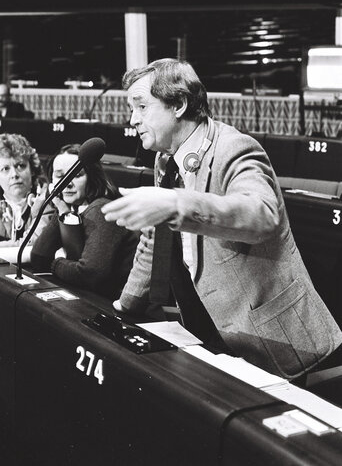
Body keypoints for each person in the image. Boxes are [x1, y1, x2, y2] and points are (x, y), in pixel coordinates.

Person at [101, 58, 342, 380]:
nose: (133, 120)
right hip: (208, 331)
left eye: (142, 107)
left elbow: (261, 215)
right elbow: (154, 239)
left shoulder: (235, 148)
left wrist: (175, 202)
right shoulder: (165, 160)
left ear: (179, 104)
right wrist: (124, 307)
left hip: (270, 339)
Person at [31, 143, 138, 298]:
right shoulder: (72, 208)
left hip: (115, 303)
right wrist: (61, 208)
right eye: (60, 176)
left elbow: (90, 274)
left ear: (92, 177)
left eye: (76, 175)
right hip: (90, 297)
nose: (67, 184)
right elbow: (39, 256)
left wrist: (55, 263)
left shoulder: (101, 209)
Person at [0, 133, 51, 258]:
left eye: (20, 166)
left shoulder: (46, 199)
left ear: (32, 170)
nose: (14, 174)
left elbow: (31, 244)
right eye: (5, 169)